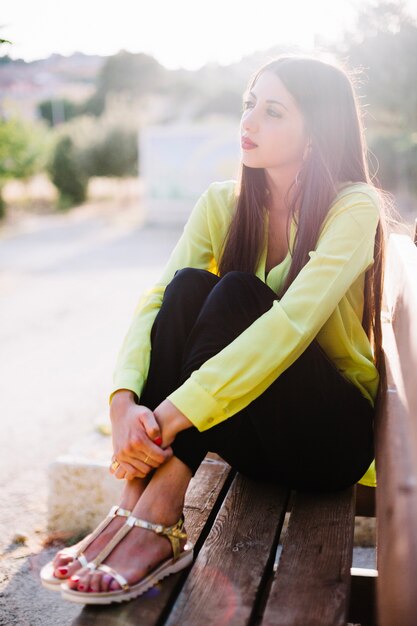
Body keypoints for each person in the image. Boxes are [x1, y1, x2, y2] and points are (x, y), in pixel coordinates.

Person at [41, 53, 392, 605]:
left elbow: (291, 325)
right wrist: (123, 402)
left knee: (235, 295)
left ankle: (157, 514)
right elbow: (157, 301)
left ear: (316, 133)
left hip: (327, 439)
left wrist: (164, 418)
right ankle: (137, 501)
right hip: (246, 433)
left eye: (273, 111)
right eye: (249, 104)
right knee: (186, 287)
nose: (248, 123)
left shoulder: (352, 207)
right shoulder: (221, 204)